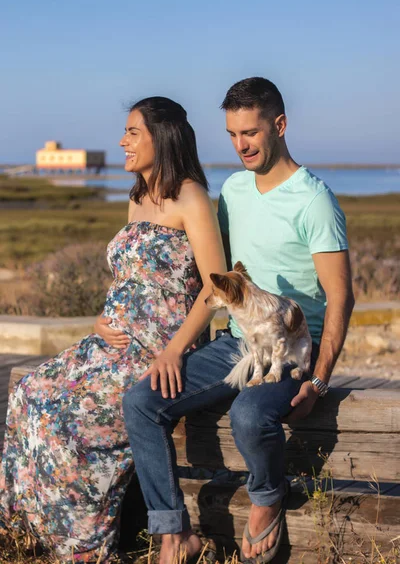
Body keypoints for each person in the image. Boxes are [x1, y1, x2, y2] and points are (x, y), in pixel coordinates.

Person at [123, 78, 355, 564]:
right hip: (234, 344)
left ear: (280, 125)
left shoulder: (314, 201)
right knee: (142, 401)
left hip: (291, 349)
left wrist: (316, 378)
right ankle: (172, 531)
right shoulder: (232, 188)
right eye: (231, 134)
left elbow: (341, 297)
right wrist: (170, 343)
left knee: (250, 413)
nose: (240, 145)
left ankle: (268, 497)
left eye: (249, 132)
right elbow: (216, 283)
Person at [0, 97, 226, 562]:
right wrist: (101, 319)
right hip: (109, 342)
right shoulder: (138, 197)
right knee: (28, 393)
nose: (122, 141)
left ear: (160, 137)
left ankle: (82, 546)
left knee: (64, 419)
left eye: (132, 132)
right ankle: (29, 529)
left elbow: (215, 289)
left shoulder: (190, 197)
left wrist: (174, 352)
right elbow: (132, 280)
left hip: (158, 351)